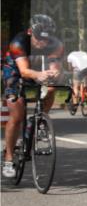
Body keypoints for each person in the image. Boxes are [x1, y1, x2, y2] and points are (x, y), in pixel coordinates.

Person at [2, 15, 65, 178]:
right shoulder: (19, 42)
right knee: (17, 114)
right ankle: (8, 158)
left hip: (38, 69)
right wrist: (39, 74)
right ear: (30, 32)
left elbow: (55, 67)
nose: (43, 43)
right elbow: (24, 71)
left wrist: (54, 73)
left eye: (46, 39)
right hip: (16, 70)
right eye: (39, 39)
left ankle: (41, 119)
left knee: (51, 87)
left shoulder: (56, 44)